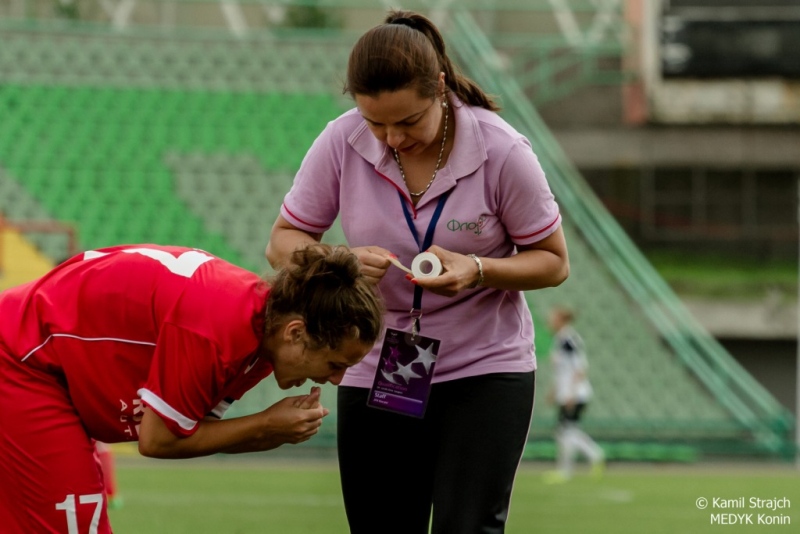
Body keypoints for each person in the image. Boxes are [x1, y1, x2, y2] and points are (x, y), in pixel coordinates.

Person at [266, 9, 569, 533]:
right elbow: (283, 242)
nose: (391, 138)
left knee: (467, 526)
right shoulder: (340, 142)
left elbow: (553, 261)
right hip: (380, 363)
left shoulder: (503, 152)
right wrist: (334, 259)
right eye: (374, 122)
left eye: (408, 122)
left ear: (441, 90)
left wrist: (477, 269)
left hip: (483, 366)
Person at [0, 243, 383, 534]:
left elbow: (193, 432)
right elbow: (158, 441)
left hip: (49, 370)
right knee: (75, 517)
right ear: (296, 333)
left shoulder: (259, 338)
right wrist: (265, 426)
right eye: (335, 364)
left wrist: (271, 431)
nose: (337, 380)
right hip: (19, 357)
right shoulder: (216, 328)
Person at [544, 306, 605, 484]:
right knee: (567, 431)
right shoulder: (560, 339)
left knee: (566, 432)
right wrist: (554, 391)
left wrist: (570, 393)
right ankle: (594, 456)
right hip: (567, 393)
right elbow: (562, 371)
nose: (549, 322)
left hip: (576, 394)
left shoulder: (569, 340)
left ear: (561, 320)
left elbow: (580, 368)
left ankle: (567, 470)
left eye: (552, 318)